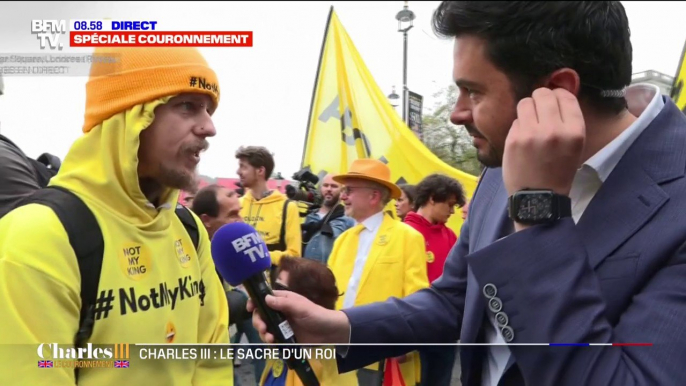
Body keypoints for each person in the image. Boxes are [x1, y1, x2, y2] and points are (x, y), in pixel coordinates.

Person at [250, 2, 686, 385]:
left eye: (473, 91)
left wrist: (537, 214)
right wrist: (338, 328)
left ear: (556, 92)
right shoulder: (500, 167)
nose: (458, 113)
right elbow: (456, 301)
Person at [0, 47, 232, 385]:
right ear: (130, 117)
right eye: (187, 106)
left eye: (209, 110)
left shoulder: (188, 227)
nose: (209, 127)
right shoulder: (37, 236)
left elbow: (211, 363)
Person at [326, 159, 429, 386]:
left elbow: (417, 296)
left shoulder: (407, 237)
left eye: (349, 190)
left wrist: (404, 341)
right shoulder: (342, 240)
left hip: (382, 355)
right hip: (338, 349)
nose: (343, 196)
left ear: (373, 196)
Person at [403, 174, 466, 386]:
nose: (452, 211)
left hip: (444, 330)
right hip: (414, 328)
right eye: (449, 204)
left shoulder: (450, 235)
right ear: (432, 198)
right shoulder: (404, 233)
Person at [260, 256, 357, 386]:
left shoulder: (325, 369)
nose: (272, 297)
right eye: (272, 288)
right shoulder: (284, 349)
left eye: (281, 290)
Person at [236, 146, 302, 279]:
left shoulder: (287, 206)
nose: (238, 171)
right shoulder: (238, 204)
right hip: (238, 285)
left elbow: (294, 255)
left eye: (243, 167)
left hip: (270, 288)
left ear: (260, 170)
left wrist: (260, 256)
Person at [302, 173, 355, 264]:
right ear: (320, 188)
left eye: (334, 186)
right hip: (305, 272)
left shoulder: (348, 219)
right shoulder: (309, 216)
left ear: (342, 191)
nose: (329, 189)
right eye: (326, 185)